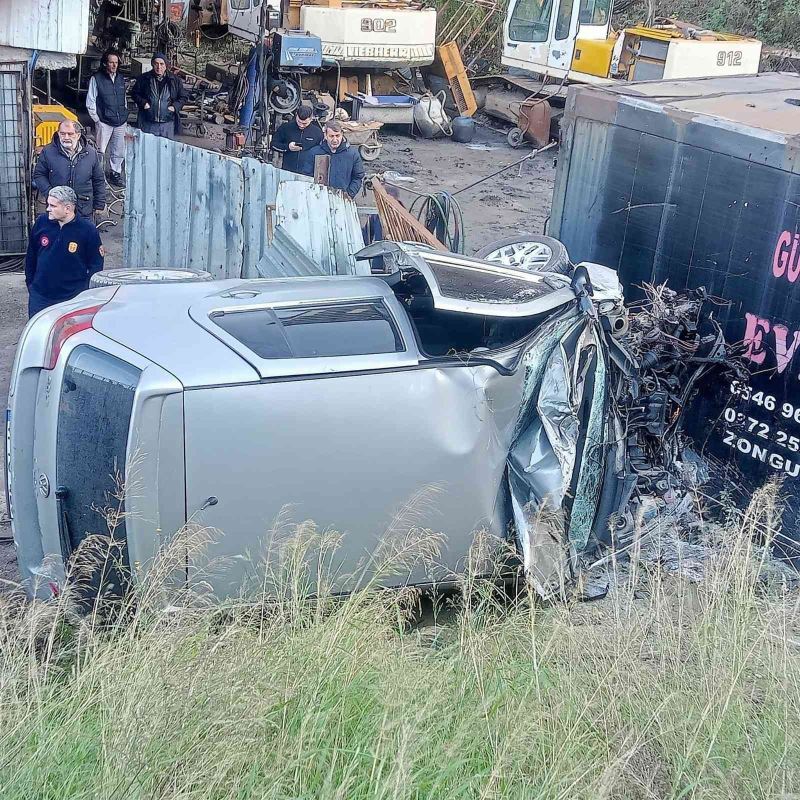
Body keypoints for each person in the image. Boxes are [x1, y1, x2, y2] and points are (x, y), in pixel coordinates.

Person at [25, 186, 104, 318]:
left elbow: (96, 265)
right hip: (41, 297)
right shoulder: (41, 223)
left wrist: (84, 292)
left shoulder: (87, 230)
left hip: (72, 299)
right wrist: (31, 285)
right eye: (48, 204)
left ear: (67, 208)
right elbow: (31, 256)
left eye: (53, 206)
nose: (47, 209)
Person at [33, 120, 107, 220]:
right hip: (57, 209)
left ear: (78, 135)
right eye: (62, 134)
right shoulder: (48, 152)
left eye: (70, 134)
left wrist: (99, 204)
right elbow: (39, 175)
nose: (66, 137)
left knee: (83, 235)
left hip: (84, 210)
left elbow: (98, 180)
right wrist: (51, 193)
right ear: (58, 133)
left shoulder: (91, 153)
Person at [86, 48, 128, 187]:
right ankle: (98, 176)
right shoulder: (96, 79)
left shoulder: (121, 79)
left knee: (118, 150)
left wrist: (124, 114)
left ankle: (115, 173)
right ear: (105, 63)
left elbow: (123, 99)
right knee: (100, 150)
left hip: (120, 122)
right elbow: (90, 101)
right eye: (111, 62)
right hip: (104, 122)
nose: (114, 65)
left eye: (116, 62)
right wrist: (97, 120)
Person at [300, 119, 365, 199]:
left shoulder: (352, 154)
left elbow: (358, 177)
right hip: (319, 198)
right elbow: (306, 175)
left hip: (342, 200)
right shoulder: (314, 152)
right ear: (325, 136)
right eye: (331, 136)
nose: (335, 140)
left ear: (342, 135)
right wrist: (313, 193)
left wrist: (349, 194)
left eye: (337, 136)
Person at [131, 53, 186, 139]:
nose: (159, 67)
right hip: (148, 122)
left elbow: (183, 97)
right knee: (149, 149)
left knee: (166, 149)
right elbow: (134, 93)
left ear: (166, 65)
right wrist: (143, 103)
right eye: (156, 63)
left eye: (161, 64)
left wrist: (174, 107)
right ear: (152, 64)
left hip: (167, 123)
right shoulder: (144, 78)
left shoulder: (175, 80)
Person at [271, 105, 323, 174]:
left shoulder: (317, 132)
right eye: (299, 122)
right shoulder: (286, 128)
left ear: (311, 119)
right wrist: (287, 147)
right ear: (296, 115)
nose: (301, 125)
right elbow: (273, 145)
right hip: (288, 172)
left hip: (308, 174)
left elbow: (322, 151)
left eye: (304, 123)